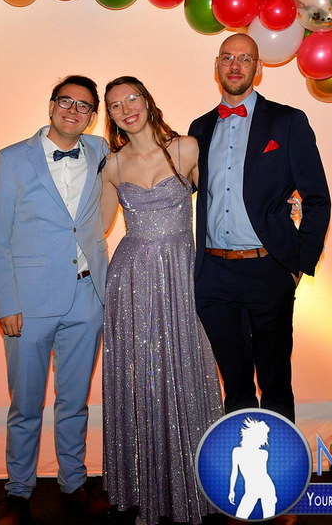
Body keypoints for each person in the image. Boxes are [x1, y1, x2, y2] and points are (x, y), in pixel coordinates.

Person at [188, 33, 331, 424]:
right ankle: (240, 461)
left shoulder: (287, 121)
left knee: (275, 381)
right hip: (213, 275)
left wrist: (297, 263)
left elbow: (317, 198)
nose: (235, 66)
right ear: (216, 66)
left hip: (269, 269)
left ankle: (281, 461)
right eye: (227, 58)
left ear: (258, 68)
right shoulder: (199, 128)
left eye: (245, 59)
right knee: (234, 385)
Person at [0, 75, 111, 525]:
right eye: (66, 101)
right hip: (28, 302)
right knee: (25, 405)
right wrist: (5, 303)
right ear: (51, 105)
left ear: (93, 116)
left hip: (87, 297)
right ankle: (18, 492)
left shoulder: (101, 151)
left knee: (74, 403)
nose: (73, 111)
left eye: (84, 106)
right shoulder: (11, 158)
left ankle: (73, 484)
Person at [100, 76, 223, 525]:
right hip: (131, 280)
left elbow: (221, 206)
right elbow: (95, 228)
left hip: (181, 275)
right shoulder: (112, 165)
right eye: (115, 105)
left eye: (132, 98)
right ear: (110, 117)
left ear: (148, 101)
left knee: (188, 371)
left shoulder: (186, 149)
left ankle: (197, 484)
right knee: (141, 378)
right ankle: (144, 486)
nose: (126, 108)